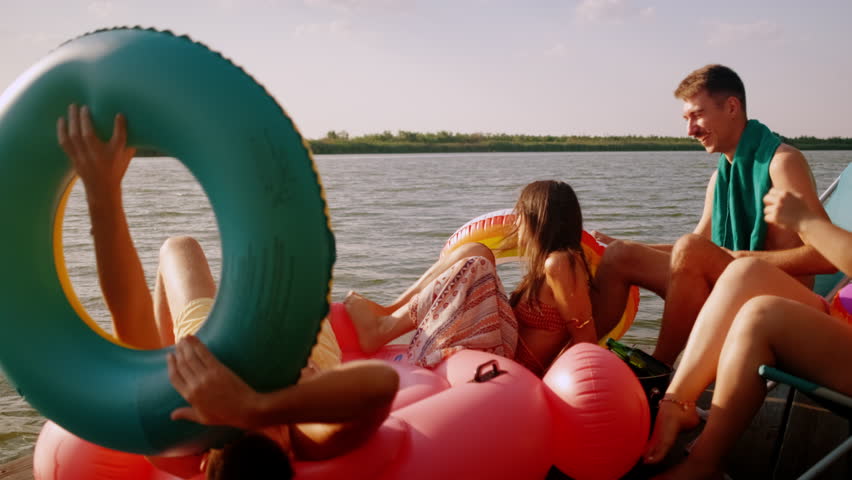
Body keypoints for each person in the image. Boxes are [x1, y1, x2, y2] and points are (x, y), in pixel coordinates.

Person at [56, 104, 399, 479]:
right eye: (276, 432)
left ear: (201, 461)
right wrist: (253, 407)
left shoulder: (175, 437)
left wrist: (102, 192)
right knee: (289, 243)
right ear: (290, 447)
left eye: (230, 428)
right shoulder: (310, 438)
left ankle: (159, 359)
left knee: (179, 247)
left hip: (206, 351)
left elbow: (130, 312)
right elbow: (382, 384)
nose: (249, 424)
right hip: (294, 342)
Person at [591, 64, 835, 366]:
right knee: (619, 256)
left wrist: (742, 260)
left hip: (783, 299)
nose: (690, 130)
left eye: (697, 115)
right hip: (733, 280)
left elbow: (827, 256)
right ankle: (580, 354)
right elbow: (694, 250)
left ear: (732, 107)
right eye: (686, 119)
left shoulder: (781, 163)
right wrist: (619, 243)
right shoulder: (721, 177)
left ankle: (660, 368)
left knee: (691, 251)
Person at [641, 186, 852, 479]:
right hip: (843, 319)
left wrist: (806, 222)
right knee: (746, 272)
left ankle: (704, 465)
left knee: (760, 316)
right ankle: (677, 402)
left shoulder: (785, 161)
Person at [344, 179, 596, 377]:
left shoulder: (561, 263)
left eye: (521, 214)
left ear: (538, 219)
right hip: (505, 345)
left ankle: (383, 327)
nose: (517, 222)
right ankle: (388, 313)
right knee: (477, 251)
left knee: (475, 264)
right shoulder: (547, 265)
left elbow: (584, 333)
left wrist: (554, 382)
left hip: (516, 363)